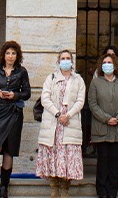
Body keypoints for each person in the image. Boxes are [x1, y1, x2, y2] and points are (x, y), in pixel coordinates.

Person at [0, 41, 31, 198]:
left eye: (14, 53)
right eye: (8, 53)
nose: (10, 56)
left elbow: (27, 93)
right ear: (3, 55)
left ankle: (4, 188)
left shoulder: (21, 71)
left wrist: (15, 95)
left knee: (9, 151)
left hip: (14, 114)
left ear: (17, 56)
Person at [37, 49, 86, 198]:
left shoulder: (78, 79)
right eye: (63, 58)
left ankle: (65, 189)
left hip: (70, 124)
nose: (65, 61)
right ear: (58, 62)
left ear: (72, 61)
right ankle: (54, 190)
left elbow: (80, 100)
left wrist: (68, 115)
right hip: (53, 123)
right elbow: (45, 99)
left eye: (68, 58)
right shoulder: (50, 78)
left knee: (67, 158)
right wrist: (58, 114)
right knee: (52, 156)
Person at [88, 53, 118, 198]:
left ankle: (112, 192)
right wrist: (107, 119)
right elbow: (93, 104)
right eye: (104, 62)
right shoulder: (95, 83)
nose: (107, 64)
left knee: (114, 162)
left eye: (110, 62)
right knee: (102, 162)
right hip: (101, 128)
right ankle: (101, 193)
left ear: (115, 65)